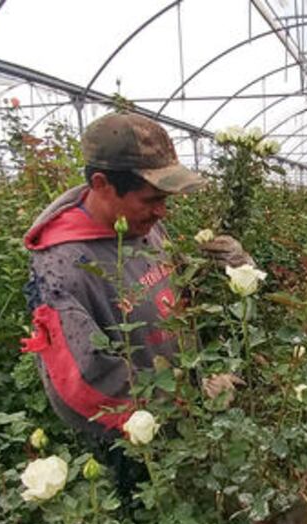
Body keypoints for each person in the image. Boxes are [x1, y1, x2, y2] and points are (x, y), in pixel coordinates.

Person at [20, 111, 245, 496]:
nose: (163, 212)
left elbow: (161, 286)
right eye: (152, 199)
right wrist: (185, 398)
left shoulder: (141, 225)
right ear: (101, 184)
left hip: (177, 411)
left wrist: (228, 270)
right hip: (128, 444)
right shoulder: (61, 270)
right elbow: (82, 382)